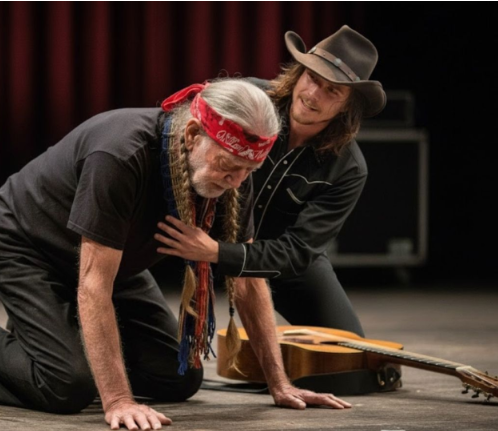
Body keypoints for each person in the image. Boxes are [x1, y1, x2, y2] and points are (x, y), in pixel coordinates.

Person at [0, 78, 351, 431]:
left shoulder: (235, 175)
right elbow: (93, 284)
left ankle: (51, 339)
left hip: (116, 260)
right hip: (27, 244)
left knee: (179, 377)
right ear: (193, 134)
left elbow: (248, 280)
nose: (236, 181)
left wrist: (280, 383)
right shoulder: (120, 153)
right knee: (66, 386)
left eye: (248, 171)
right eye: (228, 167)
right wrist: (118, 399)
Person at [156, 26, 395, 394]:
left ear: (348, 106)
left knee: (348, 371)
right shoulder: (249, 100)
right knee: (164, 365)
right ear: (299, 73)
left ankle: (267, 368)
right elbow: (176, 134)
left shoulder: (348, 167)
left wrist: (220, 253)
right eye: (312, 78)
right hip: (195, 228)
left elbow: (298, 252)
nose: (313, 94)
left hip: (276, 259)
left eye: (332, 91)